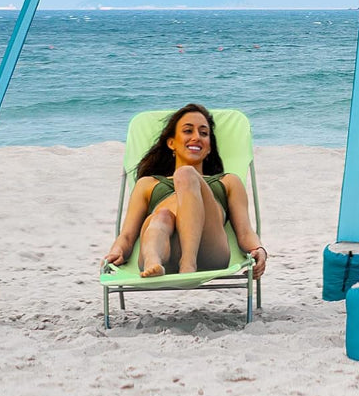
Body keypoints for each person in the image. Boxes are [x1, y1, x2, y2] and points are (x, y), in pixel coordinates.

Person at [104, 103, 267, 280]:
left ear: (209, 147)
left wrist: (258, 249)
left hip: (208, 252)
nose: (196, 137)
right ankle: (153, 260)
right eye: (188, 131)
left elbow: (244, 231)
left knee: (186, 173)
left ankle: (188, 263)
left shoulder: (227, 181)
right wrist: (116, 251)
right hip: (162, 251)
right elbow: (127, 235)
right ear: (171, 142)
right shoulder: (147, 183)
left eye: (204, 133)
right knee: (162, 216)